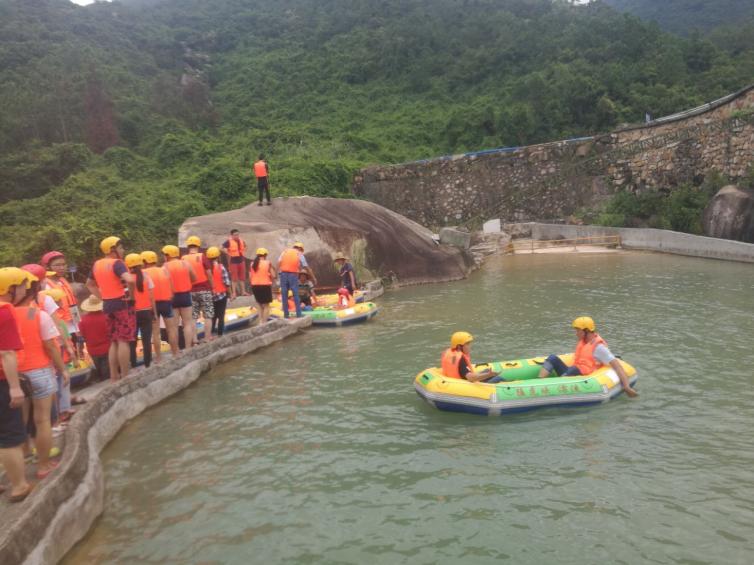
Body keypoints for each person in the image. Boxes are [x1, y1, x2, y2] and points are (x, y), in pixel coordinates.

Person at [13, 275, 69, 480]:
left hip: (14, 375)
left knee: (20, 419)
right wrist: (62, 369)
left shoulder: (5, 314)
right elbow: (50, 346)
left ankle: (26, 454)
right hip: (39, 371)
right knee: (43, 419)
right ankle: (44, 465)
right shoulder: (38, 314)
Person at [0, 267, 35, 502]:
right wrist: (14, 386)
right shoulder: (5, 312)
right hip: (2, 380)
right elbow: (6, 353)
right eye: (21, 285)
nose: (25, 289)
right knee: (10, 437)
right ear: (10, 288)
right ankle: (19, 486)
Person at [537, 316, 638, 397]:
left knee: (573, 369)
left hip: (584, 378)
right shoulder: (584, 342)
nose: (576, 333)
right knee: (552, 358)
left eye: (578, 330)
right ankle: (539, 384)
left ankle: (549, 388)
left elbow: (617, 366)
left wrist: (626, 387)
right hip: (573, 372)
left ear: (586, 331)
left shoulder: (599, 348)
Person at [86, 236, 135, 382]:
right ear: (113, 250)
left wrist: (102, 297)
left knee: (113, 341)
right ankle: (126, 375)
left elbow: (89, 284)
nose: (123, 250)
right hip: (120, 302)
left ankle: (114, 376)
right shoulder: (117, 263)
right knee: (123, 340)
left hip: (107, 304)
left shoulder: (97, 264)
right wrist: (131, 296)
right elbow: (130, 279)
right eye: (120, 248)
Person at [41, 251, 81, 358]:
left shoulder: (62, 280)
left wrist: (78, 322)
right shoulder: (46, 285)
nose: (62, 267)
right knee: (68, 352)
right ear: (48, 267)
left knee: (79, 348)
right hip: (61, 324)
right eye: (57, 265)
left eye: (63, 264)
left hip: (72, 321)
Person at [142, 250, 178, 359]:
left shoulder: (143, 273)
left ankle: (158, 357)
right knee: (171, 329)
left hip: (152, 305)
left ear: (144, 261)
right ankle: (175, 353)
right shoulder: (164, 270)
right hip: (166, 302)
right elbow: (172, 290)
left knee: (155, 333)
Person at [162, 245, 196, 350]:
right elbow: (194, 278)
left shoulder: (164, 267)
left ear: (168, 255)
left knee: (174, 326)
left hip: (172, 297)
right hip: (185, 294)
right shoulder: (185, 263)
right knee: (187, 323)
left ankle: (176, 350)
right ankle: (188, 348)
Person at [125, 254, 156, 368]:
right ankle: (147, 363)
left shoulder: (126, 279)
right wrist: (154, 313)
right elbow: (152, 297)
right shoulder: (146, 276)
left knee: (132, 340)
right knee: (146, 339)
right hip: (146, 311)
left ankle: (133, 364)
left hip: (132, 313)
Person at [183, 236, 214, 344]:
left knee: (193, 317)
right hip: (205, 288)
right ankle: (207, 338)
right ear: (198, 245)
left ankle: (195, 339)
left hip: (190, 291)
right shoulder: (202, 257)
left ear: (188, 246)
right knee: (208, 315)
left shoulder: (183, 259)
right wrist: (212, 287)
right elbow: (209, 273)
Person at [277, 242, 317, 319]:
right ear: (300, 249)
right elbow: (306, 267)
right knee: (295, 294)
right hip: (293, 274)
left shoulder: (284, 252)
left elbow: (278, 262)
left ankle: (286, 315)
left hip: (283, 274)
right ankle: (299, 315)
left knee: (284, 294)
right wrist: (313, 277)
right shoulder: (299, 254)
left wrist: (276, 274)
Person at [78, 296, 110, 382]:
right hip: (107, 347)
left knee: (98, 366)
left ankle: (100, 379)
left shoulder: (83, 321)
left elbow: (82, 335)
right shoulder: (106, 317)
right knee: (106, 369)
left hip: (92, 349)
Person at [206, 246, 232, 338]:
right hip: (221, 295)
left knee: (212, 316)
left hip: (210, 296)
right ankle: (220, 335)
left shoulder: (205, 269)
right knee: (221, 316)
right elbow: (227, 283)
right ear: (218, 257)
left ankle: (211, 334)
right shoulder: (221, 267)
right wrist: (231, 294)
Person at [250, 248, 275, 324]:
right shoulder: (267, 263)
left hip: (254, 286)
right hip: (265, 285)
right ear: (265, 255)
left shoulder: (252, 264)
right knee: (266, 305)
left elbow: (250, 276)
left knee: (259, 304)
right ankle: (264, 322)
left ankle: (260, 321)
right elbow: (273, 275)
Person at [221, 229, 248, 297]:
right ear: (231, 235)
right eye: (235, 235)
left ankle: (243, 292)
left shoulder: (241, 240)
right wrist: (227, 252)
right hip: (233, 262)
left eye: (238, 234)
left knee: (242, 277)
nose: (237, 236)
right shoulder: (228, 241)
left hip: (241, 260)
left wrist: (244, 251)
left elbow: (245, 246)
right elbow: (221, 247)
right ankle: (234, 293)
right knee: (234, 278)